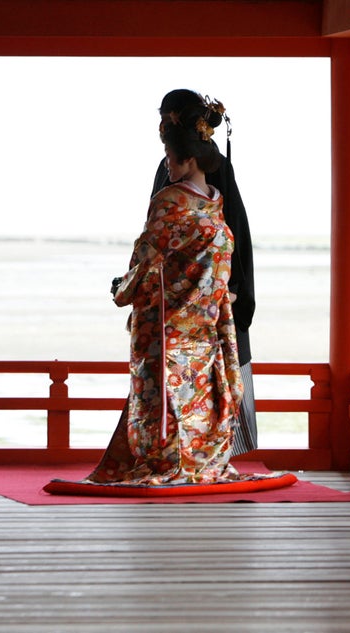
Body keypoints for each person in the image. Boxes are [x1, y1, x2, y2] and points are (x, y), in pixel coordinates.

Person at [85, 102, 245, 485]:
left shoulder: (169, 202)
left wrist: (121, 291)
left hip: (166, 326)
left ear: (189, 159)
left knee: (165, 399)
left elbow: (144, 262)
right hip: (203, 323)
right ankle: (198, 461)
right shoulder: (217, 207)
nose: (167, 166)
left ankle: (168, 462)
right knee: (197, 399)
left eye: (171, 158)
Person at [153, 89, 258, 457]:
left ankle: (192, 457)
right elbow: (236, 237)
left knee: (193, 379)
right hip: (211, 292)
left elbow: (158, 247)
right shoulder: (178, 168)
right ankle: (204, 457)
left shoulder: (192, 172)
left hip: (197, 296)